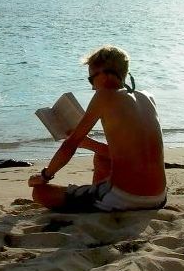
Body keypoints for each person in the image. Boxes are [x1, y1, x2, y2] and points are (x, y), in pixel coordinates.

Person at [28, 45, 167, 212]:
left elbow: (69, 145)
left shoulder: (104, 96)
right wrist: (88, 143)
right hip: (158, 197)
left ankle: (100, 202)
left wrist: (44, 175)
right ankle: (99, 196)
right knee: (102, 158)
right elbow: (133, 154)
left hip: (126, 198)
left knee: (40, 193)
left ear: (105, 74)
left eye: (91, 79)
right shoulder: (148, 97)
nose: (92, 87)